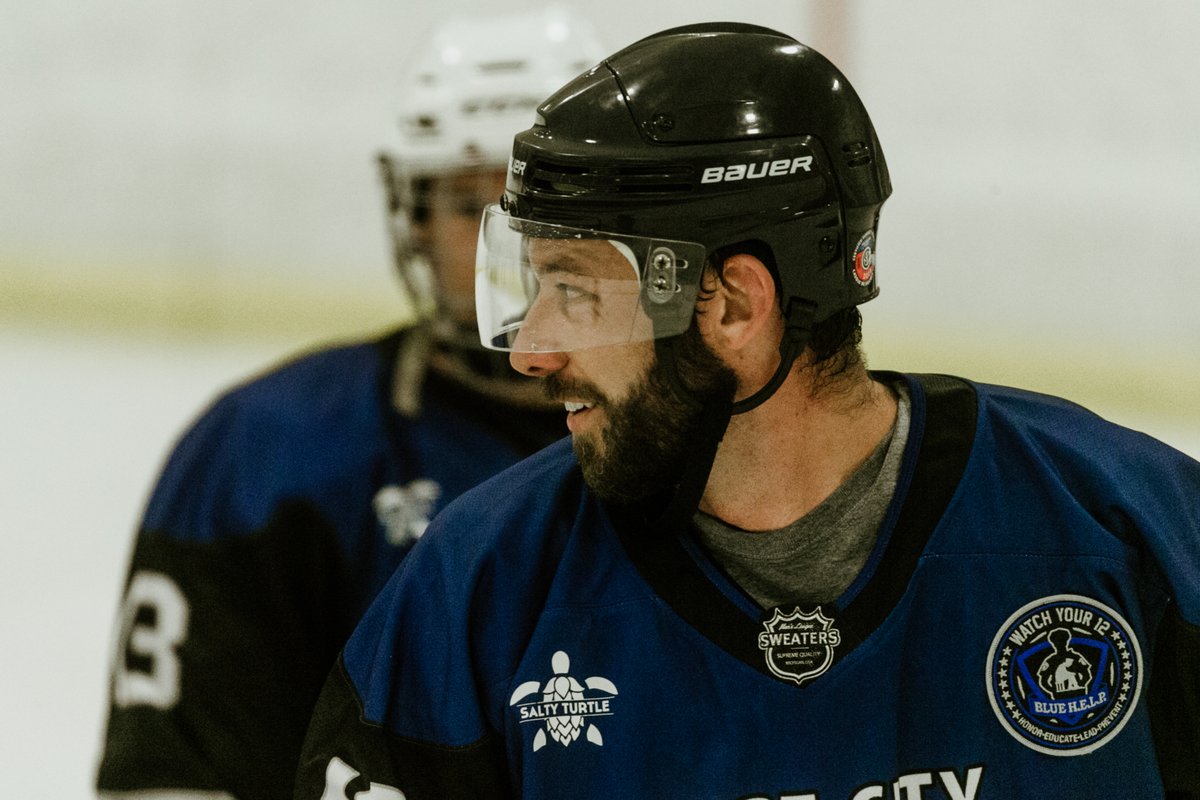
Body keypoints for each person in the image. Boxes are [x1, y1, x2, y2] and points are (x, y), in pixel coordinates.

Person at [293, 23, 1200, 800]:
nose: (531, 350)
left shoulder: (1124, 530)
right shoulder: (480, 588)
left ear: (732, 305)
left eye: (573, 290)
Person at [94, 9, 605, 800]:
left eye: (549, 205)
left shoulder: (702, 447)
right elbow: (174, 775)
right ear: (418, 219)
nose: (517, 245)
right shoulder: (267, 452)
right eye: (475, 206)